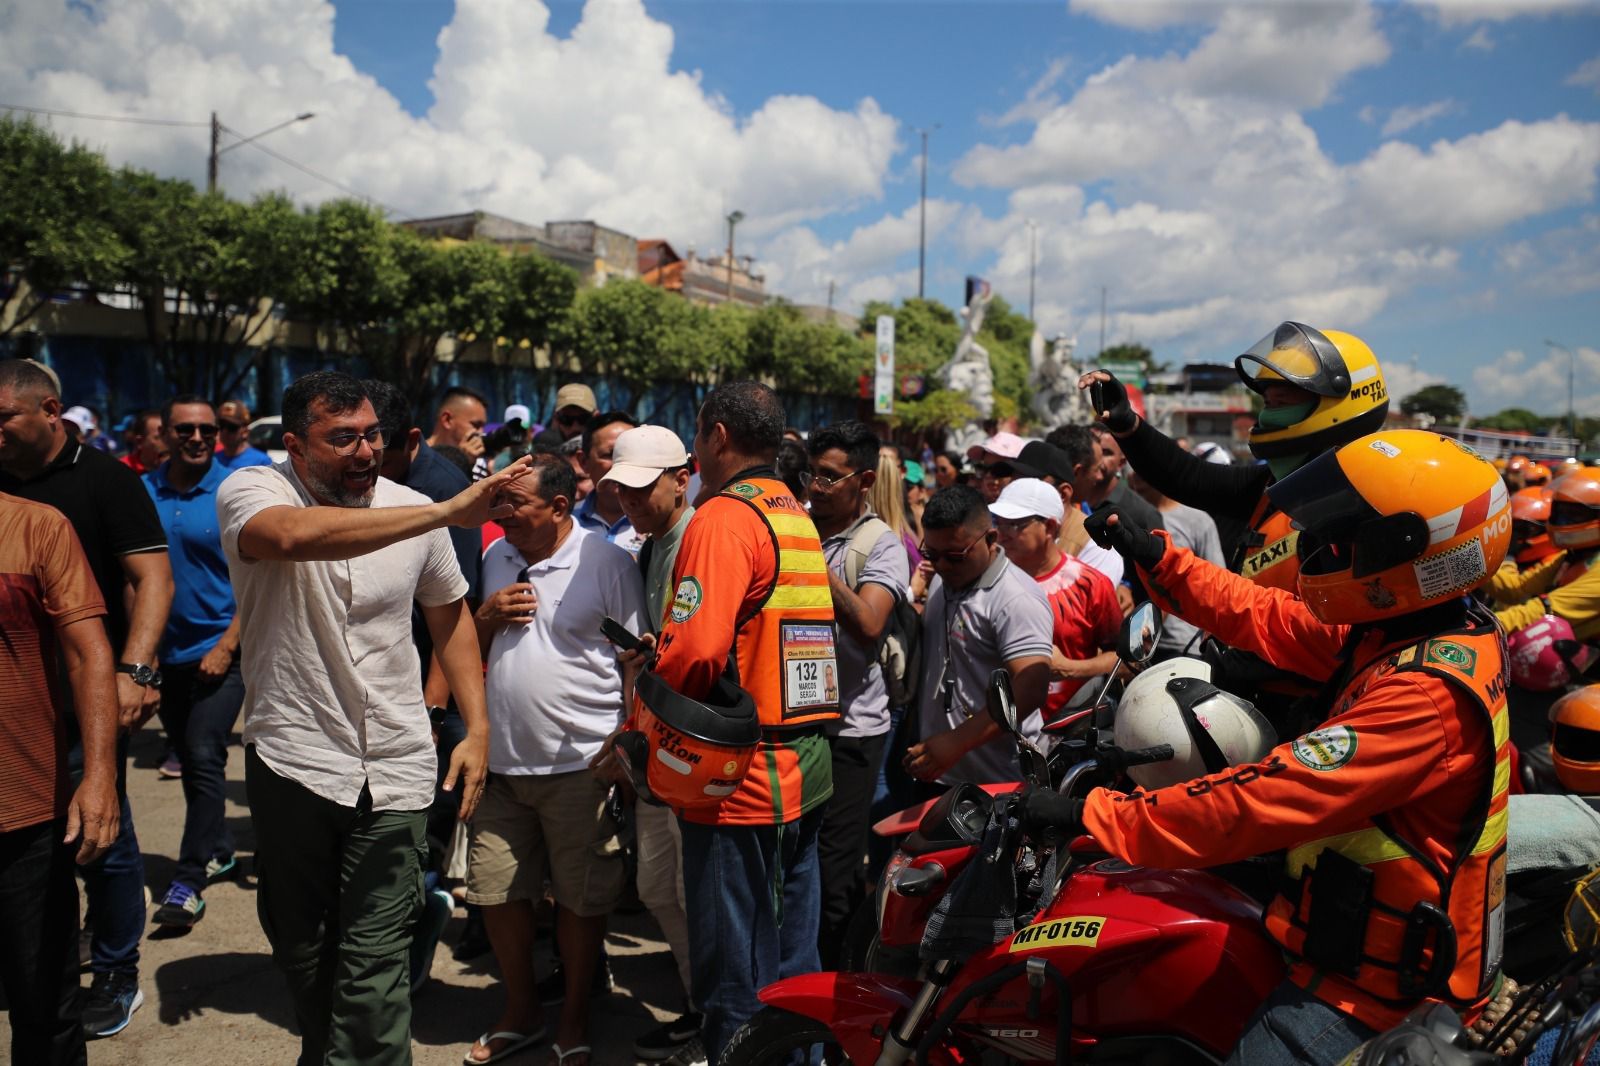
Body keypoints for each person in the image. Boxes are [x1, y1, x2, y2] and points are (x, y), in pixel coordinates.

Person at [1025, 429, 1513, 1065]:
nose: (1322, 546)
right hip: (1344, 940)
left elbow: (1264, 799)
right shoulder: (1415, 630)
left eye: (1345, 535)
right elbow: (1265, 613)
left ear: (1408, 552)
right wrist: (1161, 556)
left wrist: (1092, 813)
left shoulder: (1425, 695)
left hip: (1373, 995)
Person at [217, 370, 525, 1066]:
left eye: (372, 435)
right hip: (292, 757)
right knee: (301, 949)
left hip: (397, 765)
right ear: (294, 445)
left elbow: (450, 622)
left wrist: (476, 729)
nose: (363, 452)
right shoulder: (253, 490)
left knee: (376, 963)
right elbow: (294, 539)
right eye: (342, 438)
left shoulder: (414, 508)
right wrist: (447, 513)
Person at [613, 381, 838, 1061]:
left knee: (735, 974)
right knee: (795, 963)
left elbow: (698, 653)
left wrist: (646, 712)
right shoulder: (794, 512)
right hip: (805, 769)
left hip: (742, 785)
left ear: (713, 436)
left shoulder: (721, 516)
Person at [0, 359, 173, 1040]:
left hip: (87, 693)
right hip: (18, 704)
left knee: (101, 834)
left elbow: (151, 578)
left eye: (3, 418)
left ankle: (114, 967)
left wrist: (136, 669)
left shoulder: (105, 479)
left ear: (48, 412)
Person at [466, 456, 644, 1066]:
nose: (502, 515)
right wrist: (485, 618)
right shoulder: (496, 557)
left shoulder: (608, 562)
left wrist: (627, 740)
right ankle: (520, 1010)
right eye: (500, 504)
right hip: (500, 764)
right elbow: (469, 646)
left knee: (580, 899)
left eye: (516, 505)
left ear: (561, 507)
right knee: (495, 893)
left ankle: (573, 1015)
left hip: (580, 765)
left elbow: (635, 661)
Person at [0, 492, 120, 1065]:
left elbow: (86, 653)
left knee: (44, 1002)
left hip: (23, 804)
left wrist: (99, 775)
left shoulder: (35, 525)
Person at [601, 425, 702, 1063]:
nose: (629, 501)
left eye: (642, 488)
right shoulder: (651, 547)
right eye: (620, 490)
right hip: (653, 746)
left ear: (682, 476)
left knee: (694, 892)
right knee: (660, 888)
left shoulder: (697, 538)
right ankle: (701, 1011)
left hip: (694, 752)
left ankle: (721, 1021)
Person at [142, 396, 247, 929]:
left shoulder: (235, 490)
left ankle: (188, 880)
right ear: (164, 432)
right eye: (186, 428)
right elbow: (130, 579)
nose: (200, 437)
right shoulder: (141, 492)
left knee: (203, 755)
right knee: (187, 753)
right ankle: (222, 846)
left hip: (223, 654)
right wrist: (142, 660)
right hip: (166, 657)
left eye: (209, 429)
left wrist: (228, 645)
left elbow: (259, 580)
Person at [807, 422, 909, 968]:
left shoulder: (882, 547)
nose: (816, 487)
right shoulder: (795, 526)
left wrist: (814, 568)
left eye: (829, 476)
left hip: (851, 733)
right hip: (792, 726)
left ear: (864, 480)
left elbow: (870, 623)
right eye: (811, 474)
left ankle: (840, 982)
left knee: (835, 868)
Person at [905, 484, 1052, 786]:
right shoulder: (944, 580)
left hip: (1000, 783)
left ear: (991, 539)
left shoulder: (1015, 598)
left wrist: (957, 742)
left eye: (955, 556)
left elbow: (1031, 687)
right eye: (933, 554)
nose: (942, 566)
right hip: (943, 774)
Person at [989, 479, 1121, 718]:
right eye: (999, 523)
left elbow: (1128, 661)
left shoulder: (1090, 583)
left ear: (1049, 527)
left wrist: (1071, 669)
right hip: (997, 728)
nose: (1002, 534)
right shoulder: (985, 580)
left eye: (1015, 525)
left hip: (1068, 733)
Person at [1128, 469, 1226, 659]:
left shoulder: (1198, 521)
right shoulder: (1124, 517)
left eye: (1144, 465)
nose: (1137, 472)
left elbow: (1218, 586)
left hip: (1184, 646)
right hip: (1135, 645)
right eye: (1133, 465)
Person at [574, 410, 644, 554]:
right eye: (609, 455)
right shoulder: (565, 523)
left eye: (629, 453)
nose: (621, 464)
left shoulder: (659, 524)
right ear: (584, 461)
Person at [426, 386, 490, 475]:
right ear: (447, 420)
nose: (481, 432)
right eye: (476, 425)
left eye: (483, 426)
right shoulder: (417, 457)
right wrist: (462, 461)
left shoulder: (478, 463)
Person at [532, 383, 598, 452]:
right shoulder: (545, 444)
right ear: (556, 418)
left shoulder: (606, 445)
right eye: (567, 420)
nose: (575, 427)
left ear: (596, 417)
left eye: (583, 419)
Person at [214, 400, 272, 469]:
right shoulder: (214, 460)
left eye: (231, 427)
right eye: (221, 425)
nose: (224, 431)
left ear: (245, 432)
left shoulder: (261, 462)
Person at [119, 409, 166, 475]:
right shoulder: (121, 470)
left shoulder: (180, 467)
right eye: (159, 437)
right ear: (139, 442)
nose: (168, 441)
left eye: (168, 435)